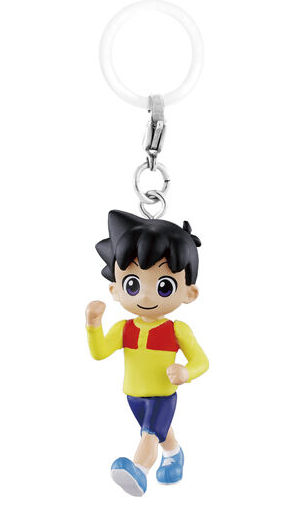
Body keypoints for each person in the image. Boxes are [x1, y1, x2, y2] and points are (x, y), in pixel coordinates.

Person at [85, 210, 209, 496]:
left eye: (164, 286)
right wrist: (93, 325)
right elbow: (100, 352)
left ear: (189, 293)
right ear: (115, 289)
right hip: (133, 396)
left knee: (150, 434)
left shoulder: (177, 330)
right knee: (159, 432)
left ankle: (139, 471)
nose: (145, 296)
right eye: (133, 284)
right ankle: (174, 454)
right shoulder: (124, 328)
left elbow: (202, 361)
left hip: (163, 395)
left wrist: (187, 372)